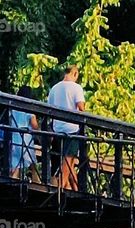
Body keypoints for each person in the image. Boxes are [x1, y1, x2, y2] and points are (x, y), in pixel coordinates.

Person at [48, 64, 86, 192]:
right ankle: (61, 189)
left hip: (57, 128)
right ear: (74, 73)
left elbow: (49, 110)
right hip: (72, 129)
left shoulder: (54, 88)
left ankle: (76, 189)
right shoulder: (76, 88)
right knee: (68, 159)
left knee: (68, 162)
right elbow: (81, 108)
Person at [9, 86, 39, 181]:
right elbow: (35, 126)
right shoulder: (29, 110)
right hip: (25, 141)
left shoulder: (12, 109)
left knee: (16, 166)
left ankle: (12, 186)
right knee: (32, 165)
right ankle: (37, 185)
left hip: (14, 139)